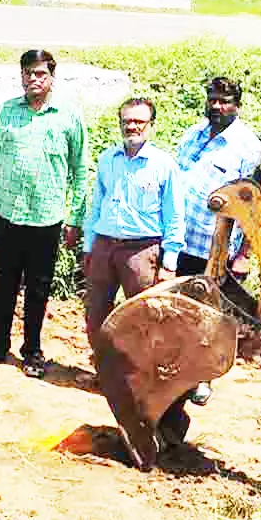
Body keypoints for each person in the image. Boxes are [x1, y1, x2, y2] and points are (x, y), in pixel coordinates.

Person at [0, 49, 88, 378]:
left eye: (40, 74)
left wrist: (74, 218)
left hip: (46, 220)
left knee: (38, 287)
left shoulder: (68, 117)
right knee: (3, 283)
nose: (34, 79)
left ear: (52, 78)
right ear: (21, 76)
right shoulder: (4, 113)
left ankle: (32, 351)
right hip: (6, 216)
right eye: (28, 73)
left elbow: (80, 170)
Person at [170, 76, 261, 405]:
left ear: (237, 105)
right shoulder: (192, 134)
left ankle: (202, 378)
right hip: (177, 239)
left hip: (213, 247)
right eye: (212, 99)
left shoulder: (248, 147)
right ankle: (172, 372)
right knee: (175, 310)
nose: (217, 106)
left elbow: (255, 204)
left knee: (208, 314)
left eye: (224, 101)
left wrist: (244, 253)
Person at [81, 98, 185, 339]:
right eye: (127, 121)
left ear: (151, 126)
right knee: (96, 313)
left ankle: (139, 376)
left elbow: (175, 215)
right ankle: (103, 370)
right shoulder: (108, 159)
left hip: (142, 252)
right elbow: (96, 205)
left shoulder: (164, 165)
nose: (132, 127)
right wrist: (89, 247)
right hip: (105, 247)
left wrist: (169, 263)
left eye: (139, 121)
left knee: (144, 318)